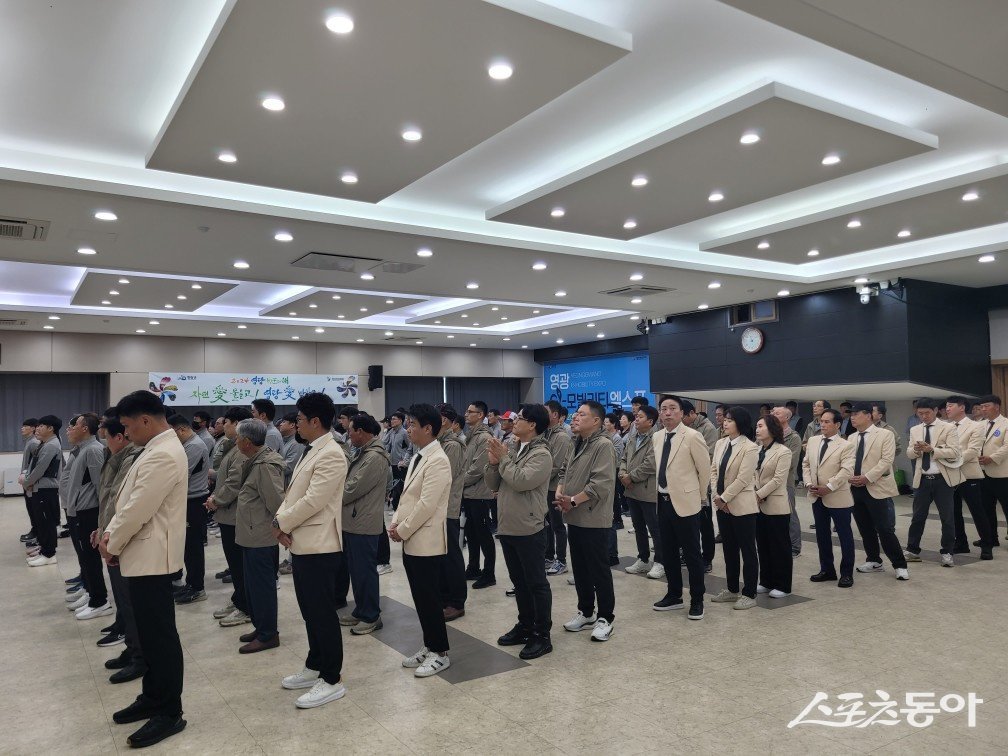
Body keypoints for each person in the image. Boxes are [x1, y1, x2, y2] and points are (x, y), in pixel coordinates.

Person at [98, 390, 188, 749]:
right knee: (149, 635)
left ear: (146, 420)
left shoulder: (164, 453)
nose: (127, 432)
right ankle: (152, 695)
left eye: (128, 426)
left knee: (160, 637)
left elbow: (138, 507)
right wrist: (112, 535)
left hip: (153, 557)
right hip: (142, 554)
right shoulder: (155, 448)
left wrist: (112, 541)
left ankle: (170, 711)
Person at [275, 392, 349, 708]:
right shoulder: (312, 449)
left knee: (322, 614)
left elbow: (314, 500)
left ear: (315, 421)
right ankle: (315, 663)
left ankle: (331, 678)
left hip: (320, 545)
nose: (296, 424)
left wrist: (281, 521)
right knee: (310, 611)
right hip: (303, 542)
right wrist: (283, 520)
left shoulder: (331, 453)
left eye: (301, 420)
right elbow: (295, 493)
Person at [486, 403, 554, 659]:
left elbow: (521, 480)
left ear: (533, 424)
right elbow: (494, 484)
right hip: (508, 525)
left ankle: (542, 635)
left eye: (521, 418)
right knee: (519, 582)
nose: (515, 421)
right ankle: (525, 625)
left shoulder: (541, 454)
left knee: (536, 583)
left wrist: (502, 459)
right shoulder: (514, 448)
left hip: (529, 527)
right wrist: (493, 464)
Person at [391, 404, 453, 677]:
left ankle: (440, 652)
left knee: (429, 598)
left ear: (428, 428)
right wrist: (396, 523)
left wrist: (402, 529)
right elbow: (409, 498)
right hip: (411, 538)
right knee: (420, 597)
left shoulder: (438, 459)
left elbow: (427, 505)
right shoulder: (419, 456)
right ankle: (429, 645)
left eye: (412, 424)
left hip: (425, 540)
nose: (408, 429)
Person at [556, 400, 618, 641]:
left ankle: (606, 617)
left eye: (582, 414)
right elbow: (563, 470)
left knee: (598, 569)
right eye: (576, 413)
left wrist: (572, 500)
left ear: (596, 421)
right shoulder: (576, 442)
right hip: (575, 516)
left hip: (593, 517)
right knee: (580, 568)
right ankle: (586, 611)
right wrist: (560, 491)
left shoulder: (603, 445)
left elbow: (600, 484)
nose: (576, 417)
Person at [650, 396, 710, 620]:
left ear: (682, 412)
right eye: (663, 409)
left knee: (692, 554)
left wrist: (700, 497)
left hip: (687, 503)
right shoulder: (657, 437)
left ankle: (697, 599)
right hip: (663, 502)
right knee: (668, 552)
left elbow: (704, 471)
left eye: (672, 409)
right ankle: (674, 594)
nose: (667, 413)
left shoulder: (693, 436)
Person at [96, 413, 145, 682]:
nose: (103, 438)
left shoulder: (131, 459)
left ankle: (139, 656)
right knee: (123, 601)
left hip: (121, 540)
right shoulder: (115, 458)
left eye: (107, 433)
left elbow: (121, 504)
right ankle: (132, 648)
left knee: (129, 601)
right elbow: (106, 498)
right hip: (111, 536)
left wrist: (110, 536)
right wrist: (101, 529)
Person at [231, 419, 285, 653]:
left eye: (237, 438)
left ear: (246, 442)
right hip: (251, 534)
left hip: (261, 536)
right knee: (252, 587)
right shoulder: (254, 460)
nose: (235, 441)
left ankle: (268, 634)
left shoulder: (264, 465)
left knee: (262, 587)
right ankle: (261, 626)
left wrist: (282, 528)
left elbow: (277, 502)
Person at [336, 413, 390, 634]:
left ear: (362, 432)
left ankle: (371, 615)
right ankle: (361, 609)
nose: (349, 435)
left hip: (364, 522)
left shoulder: (375, 457)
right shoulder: (363, 453)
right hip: (353, 521)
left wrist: (330, 495)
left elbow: (352, 489)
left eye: (351, 431)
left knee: (365, 571)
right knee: (356, 571)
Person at [848, 403, 909, 580]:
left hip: (876, 487)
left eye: (856, 414)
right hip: (855, 488)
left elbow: (886, 461)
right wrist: (850, 477)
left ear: (868, 415)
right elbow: (847, 461)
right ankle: (874, 560)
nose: (852, 417)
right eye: (851, 414)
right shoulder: (851, 438)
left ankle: (899, 564)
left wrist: (867, 477)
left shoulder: (885, 434)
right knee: (865, 528)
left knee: (884, 528)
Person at [708, 407, 760, 610]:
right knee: (729, 549)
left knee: (747, 551)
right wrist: (717, 496)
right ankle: (731, 589)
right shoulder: (721, 443)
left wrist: (725, 498)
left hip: (742, 506)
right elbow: (714, 470)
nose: (725, 423)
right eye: (725, 420)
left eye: (729, 420)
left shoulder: (750, 447)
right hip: (722, 504)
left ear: (740, 423)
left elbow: (744, 478)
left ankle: (749, 593)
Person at [207, 407, 254, 627]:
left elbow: (234, 482)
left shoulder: (243, 449)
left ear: (236, 424)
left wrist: (216, 499)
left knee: (239, 564)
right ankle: (239, 599)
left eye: (225, 422)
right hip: (227, 514)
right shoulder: (233, 446)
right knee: (235, 564)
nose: (222, 426)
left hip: (235, 514)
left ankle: (245, 607)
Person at [904, 398, 963, 567]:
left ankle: (947, 552)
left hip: (942, 480)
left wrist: (932, 450)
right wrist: (915, 450)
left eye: (927, 413)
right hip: (922, 479)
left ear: (936, 410)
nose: (923, 416)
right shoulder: (915, 429)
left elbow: (954, 452)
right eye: (920, 413)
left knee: (947, 518)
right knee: (917, 517)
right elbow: (908, 453)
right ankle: (912, 550)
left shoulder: (948, 427)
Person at [65, 413, 112, 619]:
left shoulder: (93, 450)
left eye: (73, 425)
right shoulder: (81, 450)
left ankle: (99, 601)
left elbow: (100, 486)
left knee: (90, 558)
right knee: (84, 557)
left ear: (85, 429)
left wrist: (102, 521)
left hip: (89, 512)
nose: (69, 429)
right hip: (78, 511)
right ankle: (90, 591)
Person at [804, 408, 857, 587]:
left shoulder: (846, 445)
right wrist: (808, 483)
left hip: (838, 496)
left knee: (845, 536)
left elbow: (847, 471)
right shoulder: (812, 441)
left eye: (827, 422)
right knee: (822, 534)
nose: (822, 425)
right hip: (816, 494)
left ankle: (846, 573)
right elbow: (806, 464)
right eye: (821, 421)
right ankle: (827, 569)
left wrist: (829, 486)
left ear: (837, 424)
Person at [167, 414, 211, 604]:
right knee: (187, 547)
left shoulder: (193, 446)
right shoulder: (188, 444)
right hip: (187, 500)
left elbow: (178, 474)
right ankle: (191, 583)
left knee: (193, 548)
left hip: (194, 501)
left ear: (182, 429)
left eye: (172, 433)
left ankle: (197, 588)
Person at [945, 396, 994, 558]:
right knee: (954, 512)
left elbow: (974, 450)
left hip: (969, 475)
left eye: (950, 406)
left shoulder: (976, 426)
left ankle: (987, 545)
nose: (947, 409)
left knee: (977, 511)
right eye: (946, 406)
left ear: (962, 407)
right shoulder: (947, 427)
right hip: (951, 475)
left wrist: (953, 459)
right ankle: (961, 543)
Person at [754, 413, 794, 598]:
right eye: (757, 426)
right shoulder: (757, 449)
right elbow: (752, 474)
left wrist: (759, 494)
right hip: (758, 505)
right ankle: (766, 580)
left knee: (779, 546)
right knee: (763, 545)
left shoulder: (783, 451)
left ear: (772, 428)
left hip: (776, 505)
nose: (757, 429)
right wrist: (755, 492)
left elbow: (779, 479)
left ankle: (783, 584)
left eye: (761, 426)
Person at [621, 405, 662, 579]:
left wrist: (630, 477)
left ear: (650, 421)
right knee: (638, 527)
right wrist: (623, 474)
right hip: (631, 490)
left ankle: (661, 561)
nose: (636, 419)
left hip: (647, 491)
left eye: (640, 417)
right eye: (636, 417)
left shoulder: (657, 438)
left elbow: (651, 464)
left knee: (655, 528)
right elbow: (623, 458)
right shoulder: (633, 436)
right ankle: (643, 559)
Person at [435, 404, 467, 622]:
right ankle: (445, 597)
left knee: (451, 555)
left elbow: (445, 477)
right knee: (441, 555)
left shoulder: (453, 445)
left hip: (448, 507)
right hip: (438, 508)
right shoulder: (440, 443)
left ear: (444, 420)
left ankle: (456, 602)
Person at [462, 401, 496, 588]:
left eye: (470, 412)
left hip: (480, 493)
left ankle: (489, 573)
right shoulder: (471, 436)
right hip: (469, 492)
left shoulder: (484, 437)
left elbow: (477, 469)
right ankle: (473, 567)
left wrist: (459, 483)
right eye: (467, 411)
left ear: (481, 414)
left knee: (483, 534)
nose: (466, 414)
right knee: (471, 533)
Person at [24, 414, 64, 567]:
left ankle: (49, 554)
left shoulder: (51, 445)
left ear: (50, 428)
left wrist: (27, 482)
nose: (37, 429)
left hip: (46, 489)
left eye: (41, 426)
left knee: (46, 522)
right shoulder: (46, 443)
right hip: (40, 488)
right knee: (42, 522)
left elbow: (40, 469)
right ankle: (45, 550)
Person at [683, 399, 718, 571]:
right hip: (684, 484)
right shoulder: (682, 429)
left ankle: (707, 558)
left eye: (682, 415)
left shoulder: (708, 428)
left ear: (691, 413)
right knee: (688, 523)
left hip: (702, 483)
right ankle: (690, 555)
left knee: (705, 523)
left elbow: (708, 458)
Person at [543, 401, 573, 576]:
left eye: (545, 411)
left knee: (558, 525)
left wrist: (537, 476)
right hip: (545, 486)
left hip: (555, 488)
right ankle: (548, 556)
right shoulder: (547, 434)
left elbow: (556, 466)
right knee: (547, 524)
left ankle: (561, 560)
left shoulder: (561, 437)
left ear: (555, 415)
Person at [975, 394, 1008, 546]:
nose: (983, 409)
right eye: (981, 407)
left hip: (1002, 474)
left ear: (996, 406)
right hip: (982, 473)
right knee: (986, 508)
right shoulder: (980, 425)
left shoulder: (1006, 424)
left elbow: (1007, 447)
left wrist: (992, 458)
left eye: (986, 406)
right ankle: (990, 539)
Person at [771, 406, 803, 556]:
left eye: (776, 413)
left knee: (790, 514)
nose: (772, 414)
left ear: (786, 418)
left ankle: (795, 547)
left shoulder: (794, 437)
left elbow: (790, 463)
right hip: (767, 482)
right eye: (771, 412)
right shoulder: (768, 435)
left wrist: (769, 467)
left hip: (785, 482)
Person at [384, 411, 413, 511]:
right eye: (391, 419)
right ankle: (396, 509)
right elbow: (385, 443)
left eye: (394, 419)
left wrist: (405, 460)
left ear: (400, 420)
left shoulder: (404, 433)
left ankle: (401, 510)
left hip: (402, 465)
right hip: (393, 464)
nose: (391, 421)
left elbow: (411, 447)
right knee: (394, 487)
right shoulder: (392, 432)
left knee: (399, 489)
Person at [18, 418, 40, 544]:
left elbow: (36, 464)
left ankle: (36, 531)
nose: (22, 428)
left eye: (25, 426)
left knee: (33, 508)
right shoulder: (29, 442)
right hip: (27, 480)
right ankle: (35, 529)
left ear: (33, 428)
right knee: (30, 507)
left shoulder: (34, 443)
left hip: (30, 482)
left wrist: (30, 480)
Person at [278, 412, 304, 489]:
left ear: (292, 425)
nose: (280, 424)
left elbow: (289, 467)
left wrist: (272, 468)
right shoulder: (284, 440)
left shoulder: (297, 443)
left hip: (289, 486)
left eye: (283, 422)